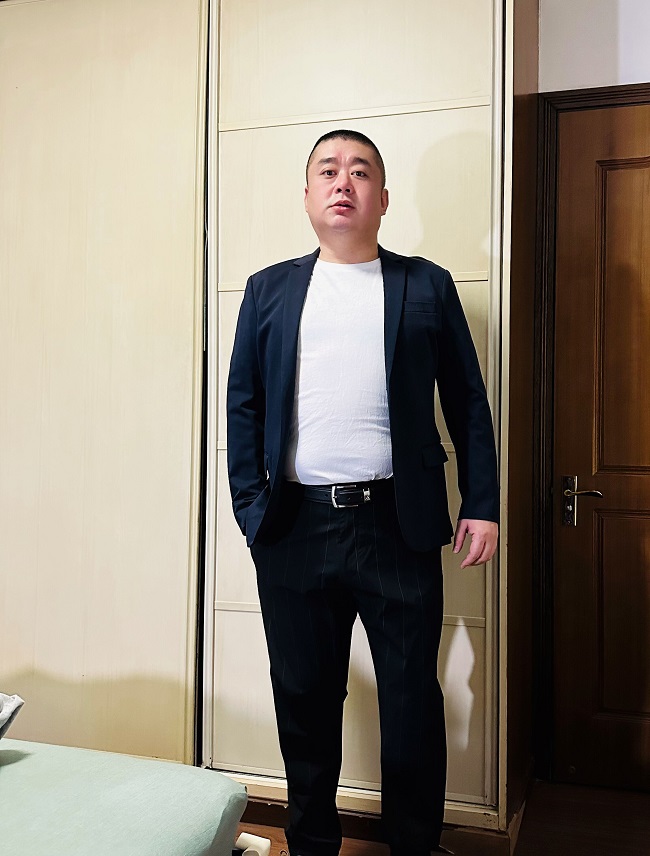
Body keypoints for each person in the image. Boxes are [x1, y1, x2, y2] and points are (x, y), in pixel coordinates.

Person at [227, 129, 499, 856]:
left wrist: (482, 503)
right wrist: (252, 509)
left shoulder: (426, 285)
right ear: (308, 195)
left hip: (397, 526)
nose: (343, 182)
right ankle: (312, 845)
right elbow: (243, 404)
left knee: (412, 702)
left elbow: (467, 401)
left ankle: (415, 845)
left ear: (383, 198)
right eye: (328, 171)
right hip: (293, 528)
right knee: (305, 702)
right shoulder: (267, 290)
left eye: (360, 171)